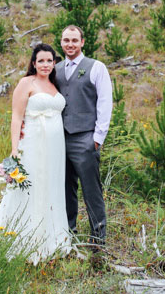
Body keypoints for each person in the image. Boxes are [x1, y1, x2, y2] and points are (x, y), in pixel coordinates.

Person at [0, 43, 72, 265]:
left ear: (54, 63)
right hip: (32, 144)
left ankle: (52, 238)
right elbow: (17, 117)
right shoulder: (26, 83)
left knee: (51, 187)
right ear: (34, 63)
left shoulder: (55, 85)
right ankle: (25, 239)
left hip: (55, 148)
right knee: (29, 189)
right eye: (41, 61)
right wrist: (14, 149)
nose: (45, 65)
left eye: (49, 60)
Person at [56, 25, 112, 248]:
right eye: (66, 40)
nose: (70, 44)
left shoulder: (96, 67)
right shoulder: (56, 69)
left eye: (74, 40)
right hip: (60, 138)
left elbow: (105, 102)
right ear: (61, 42)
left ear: (82, 42)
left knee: (91, 189)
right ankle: (69, 231)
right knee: (65, 188)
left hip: (85, 137)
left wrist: (98, 137)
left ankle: (98, 236)